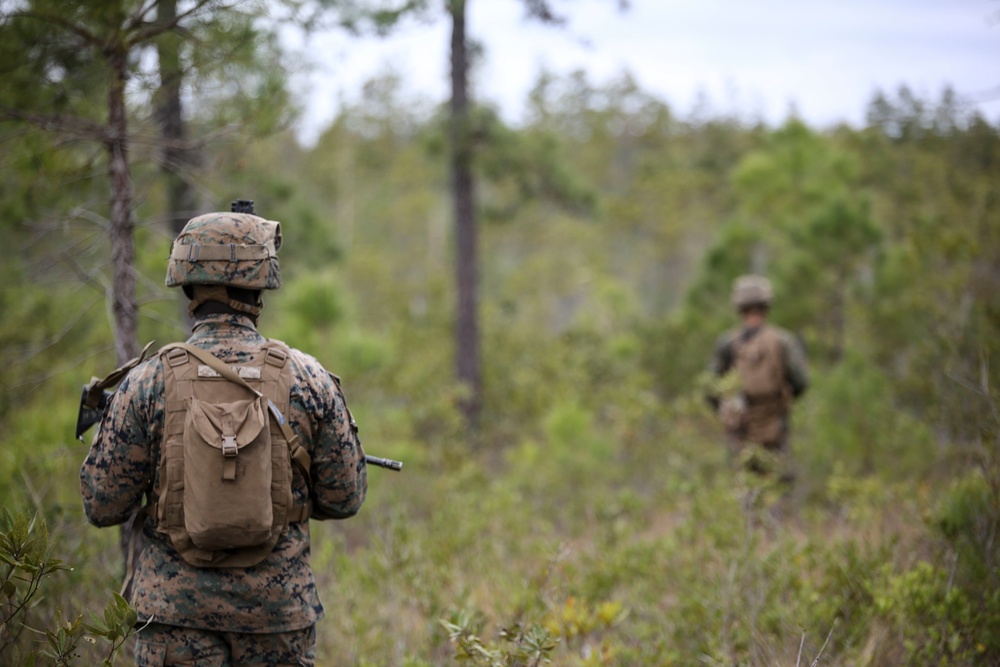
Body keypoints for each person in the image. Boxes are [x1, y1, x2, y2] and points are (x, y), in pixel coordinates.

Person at [80, 208, 368, 666]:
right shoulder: (308, 379)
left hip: (175, 619)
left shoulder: (147, 381)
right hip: (277, 618)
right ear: (259, 286)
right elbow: (345, 497)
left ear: (188, 284)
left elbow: (102, 504)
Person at [706, 275, 808, 482]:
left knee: (743, 483)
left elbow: (710, 388)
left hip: (740, 427)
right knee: (776, 482)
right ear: (766, 306)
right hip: (775, 424)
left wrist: (727, 410)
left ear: (739, 307)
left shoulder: (727, 343)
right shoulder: (783, 341)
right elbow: (801, 381)